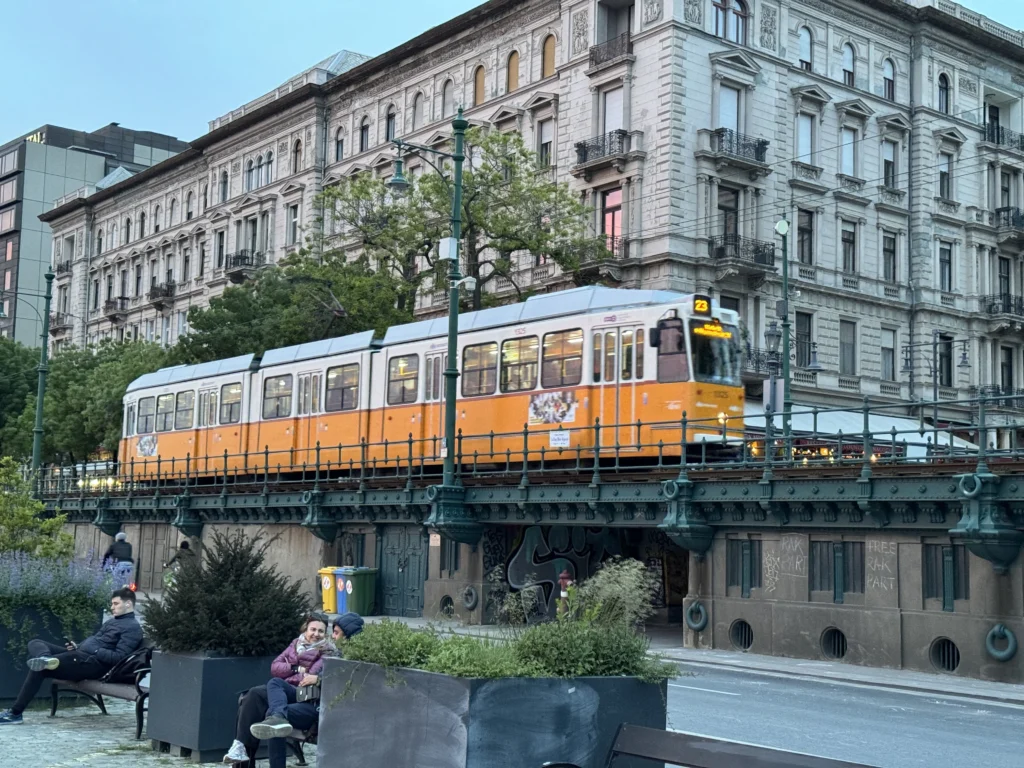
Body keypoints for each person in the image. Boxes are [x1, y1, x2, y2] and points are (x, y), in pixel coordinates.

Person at [222, 612, 352, 765]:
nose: (316, 634)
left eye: (321, 631)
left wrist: (304, 674)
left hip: (303, 694)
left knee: (272, 712)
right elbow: (275, 667)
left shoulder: (328, 651)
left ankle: (275, 719)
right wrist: (296, 667)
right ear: (305, 630)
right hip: (285, 689)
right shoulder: (296, 643)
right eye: (313, 629)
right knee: (253, 695)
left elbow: (310, 677)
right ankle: (240, 749)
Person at [0, 588, 143, 725]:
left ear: (128, 604)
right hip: (81, 655)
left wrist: (94, 650)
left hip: (92, 664)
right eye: (112, 603)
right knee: (35, 642)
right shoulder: (113, 621)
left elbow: (119, 658)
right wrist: (78, 645)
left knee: (41, 669)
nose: (112, 607)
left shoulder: (132, 628)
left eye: (116, 603)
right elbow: (95, 640)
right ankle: (45, 658)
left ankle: (15, 713)